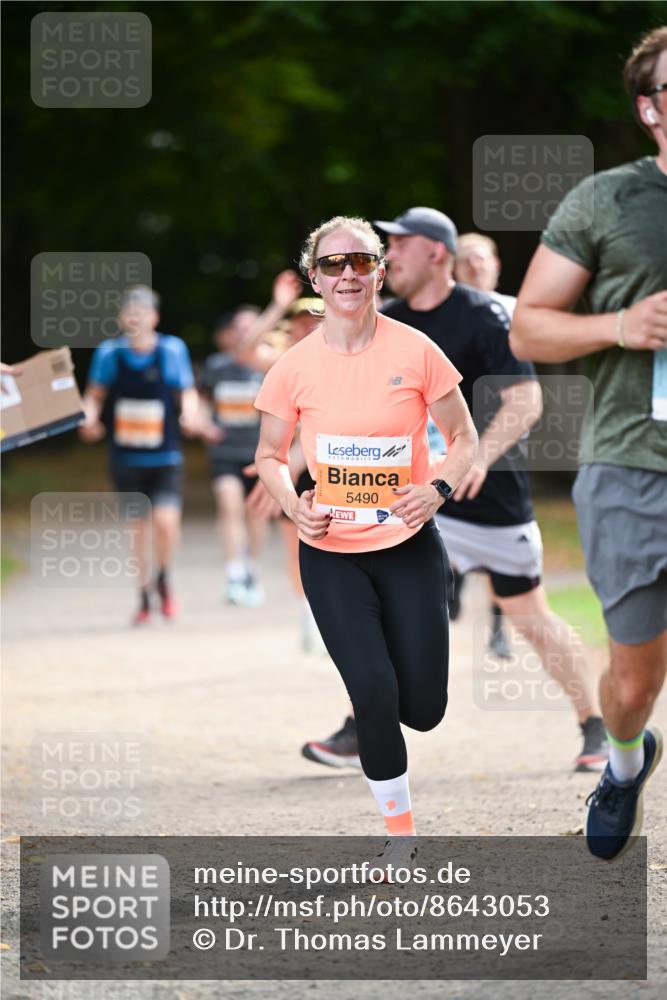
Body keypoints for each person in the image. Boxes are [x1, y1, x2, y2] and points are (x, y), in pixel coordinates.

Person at [305, 207, 608, 775]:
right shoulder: (384, 320)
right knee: (385, 614)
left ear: (435, 253)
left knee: (529, 616)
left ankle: (594, 723)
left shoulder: (486, 318)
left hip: (489, 504)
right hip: (407, 505)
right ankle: (359, 727)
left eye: (400, 244)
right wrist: (286, 464)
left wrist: (470, 462)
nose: (387, 255)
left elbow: (525, 401)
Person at [254, 216, 477, 868]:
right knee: (372, 694)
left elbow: (463, 440)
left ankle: (403, 731)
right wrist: (294, 503)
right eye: (332, 264)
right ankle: (400, 836)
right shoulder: (293, 367)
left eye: (359, 261)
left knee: (424, 709)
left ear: (379, 270)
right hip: (330, 555)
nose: (347, 274)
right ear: (314, 277)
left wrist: (435, 488)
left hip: (408, 545)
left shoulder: (416, 352)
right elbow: (268, 454)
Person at [510, 27, 667, 860]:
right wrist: (620, 324)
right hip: (635, 467)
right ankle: (624, 758)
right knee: (635, 683)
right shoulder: (605, 201)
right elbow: (528, 329)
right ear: (650, 109)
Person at [80, 285, 216, 624]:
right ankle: (142, 596)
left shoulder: (171, 350)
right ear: (122, 318)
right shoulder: (110, 354)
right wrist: (90, 418)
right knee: (138, 529)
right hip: (126, 459)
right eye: (130, 311)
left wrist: (190, 413)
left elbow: (186, 391)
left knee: (166, 524)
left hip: (165, 457)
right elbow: (94, 395)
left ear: (154, 317)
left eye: (143, 311)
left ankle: (164, 578)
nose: (136, 317)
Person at [453, 232, 519, 659]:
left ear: (496, 264)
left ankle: (499, 625)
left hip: (504, 435)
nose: (475, 266)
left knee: (500, 534)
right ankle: (448, 589)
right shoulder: (445, 314)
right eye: (467, 260)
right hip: (450, 434)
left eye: (482, 258)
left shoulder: (516, 311)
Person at [199, 306, 267, 606]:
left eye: (250, 326)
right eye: (239, 327)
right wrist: (204, 425)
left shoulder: (268, 366)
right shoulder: (216, 366)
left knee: (256, 514)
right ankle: (234, 572)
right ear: (231, 332)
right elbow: (200, 403)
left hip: (257, 453)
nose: (244, 332)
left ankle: (251, 567)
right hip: (225, 451)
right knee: (229, 507)